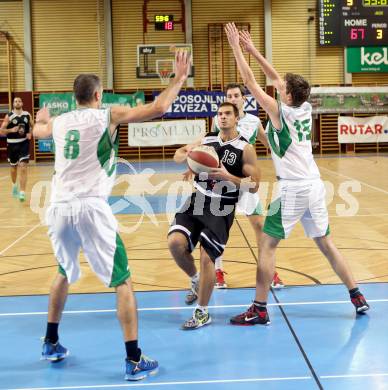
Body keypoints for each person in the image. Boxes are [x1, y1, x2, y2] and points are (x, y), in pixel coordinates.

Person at [33, 50, 191, 380]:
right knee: (122, 280)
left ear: (74, 97)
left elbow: (38, 132)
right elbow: (159, 107)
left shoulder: (60, 122)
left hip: (58, 208)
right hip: (91, 207)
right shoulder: (107, 115)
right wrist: (178, 78)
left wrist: (40, 117)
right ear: (97, 95)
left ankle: (50, 341)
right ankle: (134, 359)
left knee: (63, 270)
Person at [224, 23, 369, 326]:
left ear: (287, 95)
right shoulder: (304, 107)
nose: (279, 84)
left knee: (266, 244)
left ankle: (260, 308)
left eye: (283, 86)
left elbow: (251, 82)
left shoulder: (281, 112)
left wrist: (237, 48)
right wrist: (254, 50)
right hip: (314, 186)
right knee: (327, 244)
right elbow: (275, 78)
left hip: (291, 189)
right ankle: (356, 294)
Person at [168, 101, 261, 329]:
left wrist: (229, 177)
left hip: (222, 206)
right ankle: (196, 281)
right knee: (175, 243)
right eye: (220, 114)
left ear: (237, 118)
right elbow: (177, 155)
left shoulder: (244, 148)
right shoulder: (206, 140)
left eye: (228, 114)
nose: (223, 117)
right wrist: (190, 160)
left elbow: (255, 185)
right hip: (197, 200)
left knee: (207, 256)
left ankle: (202, 312)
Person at [211, 83, 283, 290]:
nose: (232, 98)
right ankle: (217, 271)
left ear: (244, 99)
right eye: (228, 95)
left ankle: (270, 272)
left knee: (260, 227)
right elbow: (211, 146)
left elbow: (269, 143)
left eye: (235, 95)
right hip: (223, 182)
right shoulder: (219, 120)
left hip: (245, 183)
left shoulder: (253, 121)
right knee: (217, 229)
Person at [0, 97, 33, 202]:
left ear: (22, 103)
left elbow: (33, 126)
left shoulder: (27, 114)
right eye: (15, 101)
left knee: (23, 167)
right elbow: (2, 131)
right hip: (12, 145)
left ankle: (22, 192)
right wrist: (11, 129)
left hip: (24, 143)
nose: (17, 102)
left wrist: (30, 133)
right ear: (13, 104)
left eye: (19, 101)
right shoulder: (9, 116)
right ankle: (14, 185)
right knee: (13, 167)